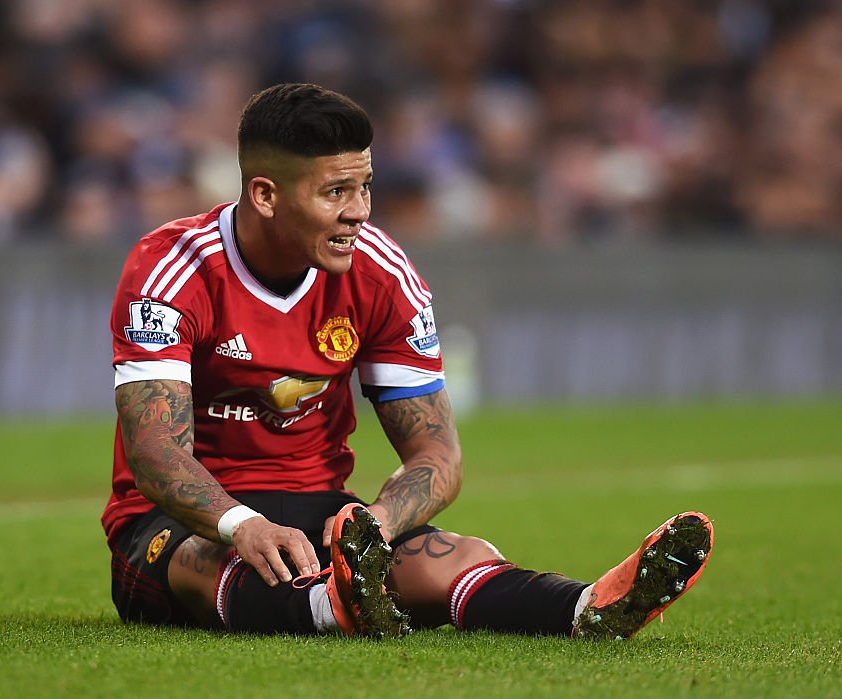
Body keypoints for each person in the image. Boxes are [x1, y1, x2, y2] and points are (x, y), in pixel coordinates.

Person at [102, 82, 715, 638]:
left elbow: (437, 456)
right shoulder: (172, 269)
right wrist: (243, 526)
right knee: (205, 565)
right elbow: (157, 453)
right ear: (264, 194)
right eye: (335, 192)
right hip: (175, 525)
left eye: (364, 186)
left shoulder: (381, 273)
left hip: (318, 508)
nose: (359, 212)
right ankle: (327, 608)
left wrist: (376, 526)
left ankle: (584, 610)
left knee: (454, 557)